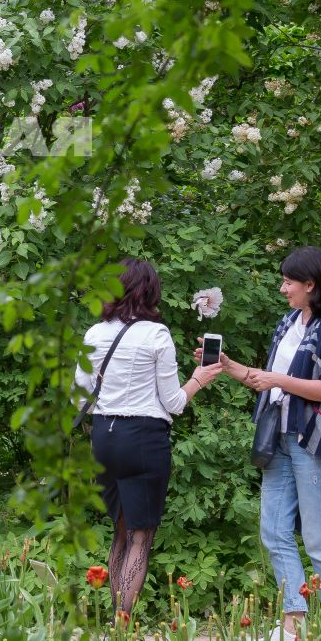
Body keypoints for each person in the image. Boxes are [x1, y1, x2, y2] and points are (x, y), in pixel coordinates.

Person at [216, 245, 321, 641]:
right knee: (274, 531)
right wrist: (229, 366)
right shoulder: (288, 322)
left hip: (313, 441)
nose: (283, 288)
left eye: (289, 281)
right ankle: (292, 626)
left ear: (311, 284)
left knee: (316, 537)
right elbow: (268, 378)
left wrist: (278, 382)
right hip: (278, 437)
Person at [74, 259, 220, 618]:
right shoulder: (156, 335)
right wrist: (200, 378)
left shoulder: (94, 333)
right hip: (143, 439)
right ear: (149, 291)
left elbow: (78, 399)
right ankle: (123, 625)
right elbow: (173, 402)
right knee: (142, 535)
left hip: (103, 439)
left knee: (121, 531)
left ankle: (115, 620)